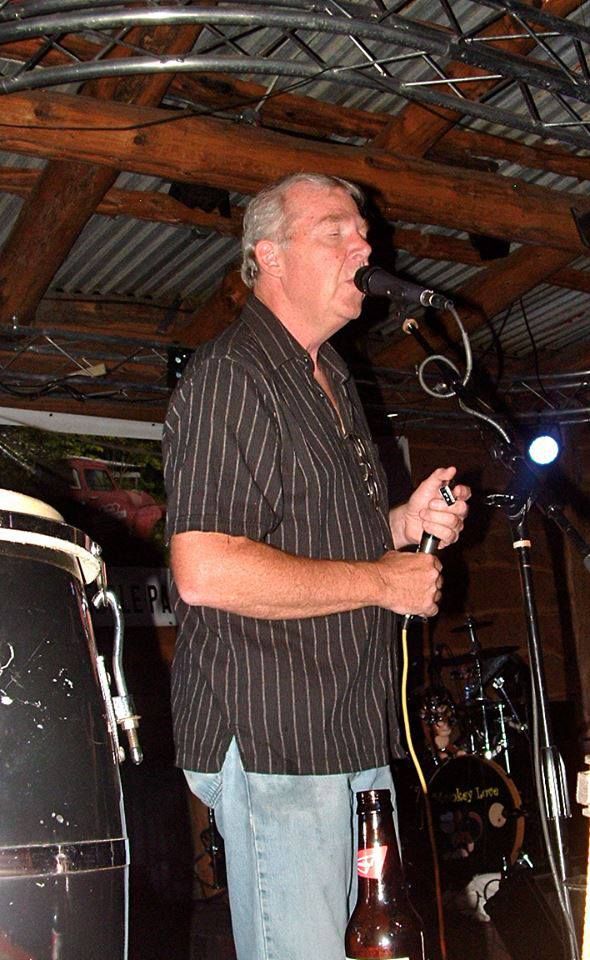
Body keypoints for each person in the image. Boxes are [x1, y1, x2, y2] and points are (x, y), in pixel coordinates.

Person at [162, 172, 471, 960]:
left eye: (362, 231)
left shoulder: (331, 376)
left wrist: (404, 526)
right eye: (334, 231)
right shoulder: (234, 376)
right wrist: (380, 580)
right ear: (268, 256)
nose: (363, 245)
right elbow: (207, 570)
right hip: (279, 740)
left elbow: (328, 538)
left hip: (348, 726)